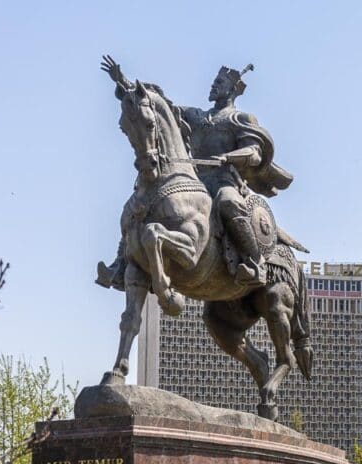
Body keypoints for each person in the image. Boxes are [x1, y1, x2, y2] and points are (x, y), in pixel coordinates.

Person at [97, 56, 306, 291]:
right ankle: (122, 263)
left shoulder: (241, 119)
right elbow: (159, 104)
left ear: (232, 90)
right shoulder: (197, 116)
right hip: (192, 181)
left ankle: (253, 262)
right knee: (140, 199)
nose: (213, 85)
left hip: (224, 180)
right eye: (214, 81)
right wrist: (123, 81)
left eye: (219, 82)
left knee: (228, 202)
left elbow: (255, 153)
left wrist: (229, 157)